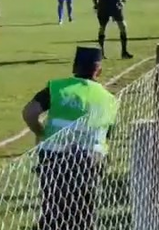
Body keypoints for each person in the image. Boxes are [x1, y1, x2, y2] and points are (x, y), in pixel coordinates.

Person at [22, 47, 118, 230]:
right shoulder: (109, 99)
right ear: (99, 71)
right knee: (85, 210)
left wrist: (41, 133)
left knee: (53, 207)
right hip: (90, 160)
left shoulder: (58, 88)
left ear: (74, 67)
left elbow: (29, 113)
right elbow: (108, 134)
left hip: (55, 157)